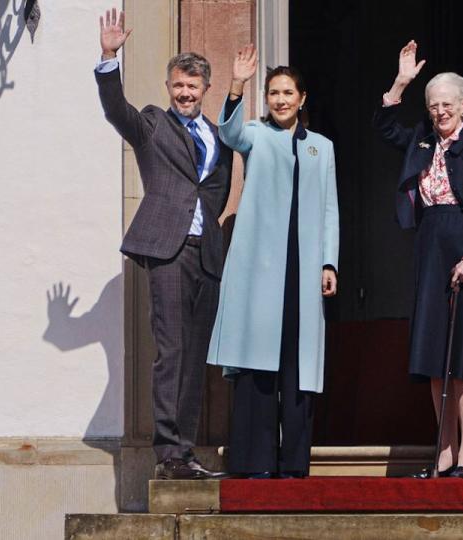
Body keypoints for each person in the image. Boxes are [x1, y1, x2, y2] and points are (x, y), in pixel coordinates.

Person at [94, 8, 230, 480]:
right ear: (169, 88)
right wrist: (109, 58)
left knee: (194, 357)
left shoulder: (217, 136)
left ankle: (186, 452)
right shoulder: (153, 124)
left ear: (205, 89)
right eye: (178, 86)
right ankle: (168, 454)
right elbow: (118, 112)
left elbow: (215, 190)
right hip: (166, 249)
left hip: (205, 253)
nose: (186, 93)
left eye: (193, 86)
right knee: (171, 351)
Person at [373, 40, 463, 479]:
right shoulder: (421, 139)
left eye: (447, 104)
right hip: (431, 246)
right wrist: (401, 83)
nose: (439, 112)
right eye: (433, 105)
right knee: (435, 354)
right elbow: (382, 127)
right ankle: (444, 451)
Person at [206, 45, 339, 479]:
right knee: (258, 366)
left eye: (287, 92)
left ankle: (294, 465)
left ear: (303, 98)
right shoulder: (256, 134)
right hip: (261, 271)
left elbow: (330, 211)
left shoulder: (322, 147)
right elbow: (228, 134)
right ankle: (254, 462)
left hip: (303, 271)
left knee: (297, 369)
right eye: (273, 93)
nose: (280, 100)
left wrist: (329, 263)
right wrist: (236, 84)